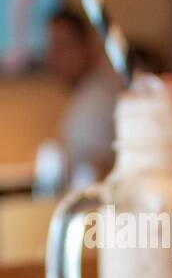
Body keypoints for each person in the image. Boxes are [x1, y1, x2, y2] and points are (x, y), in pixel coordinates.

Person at [47, 9, 122, 186]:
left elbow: (98, 171)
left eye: (62, 47)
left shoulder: (99, 98)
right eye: (51, 48)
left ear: (86, 46)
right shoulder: (85, 93)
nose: (53, 57)